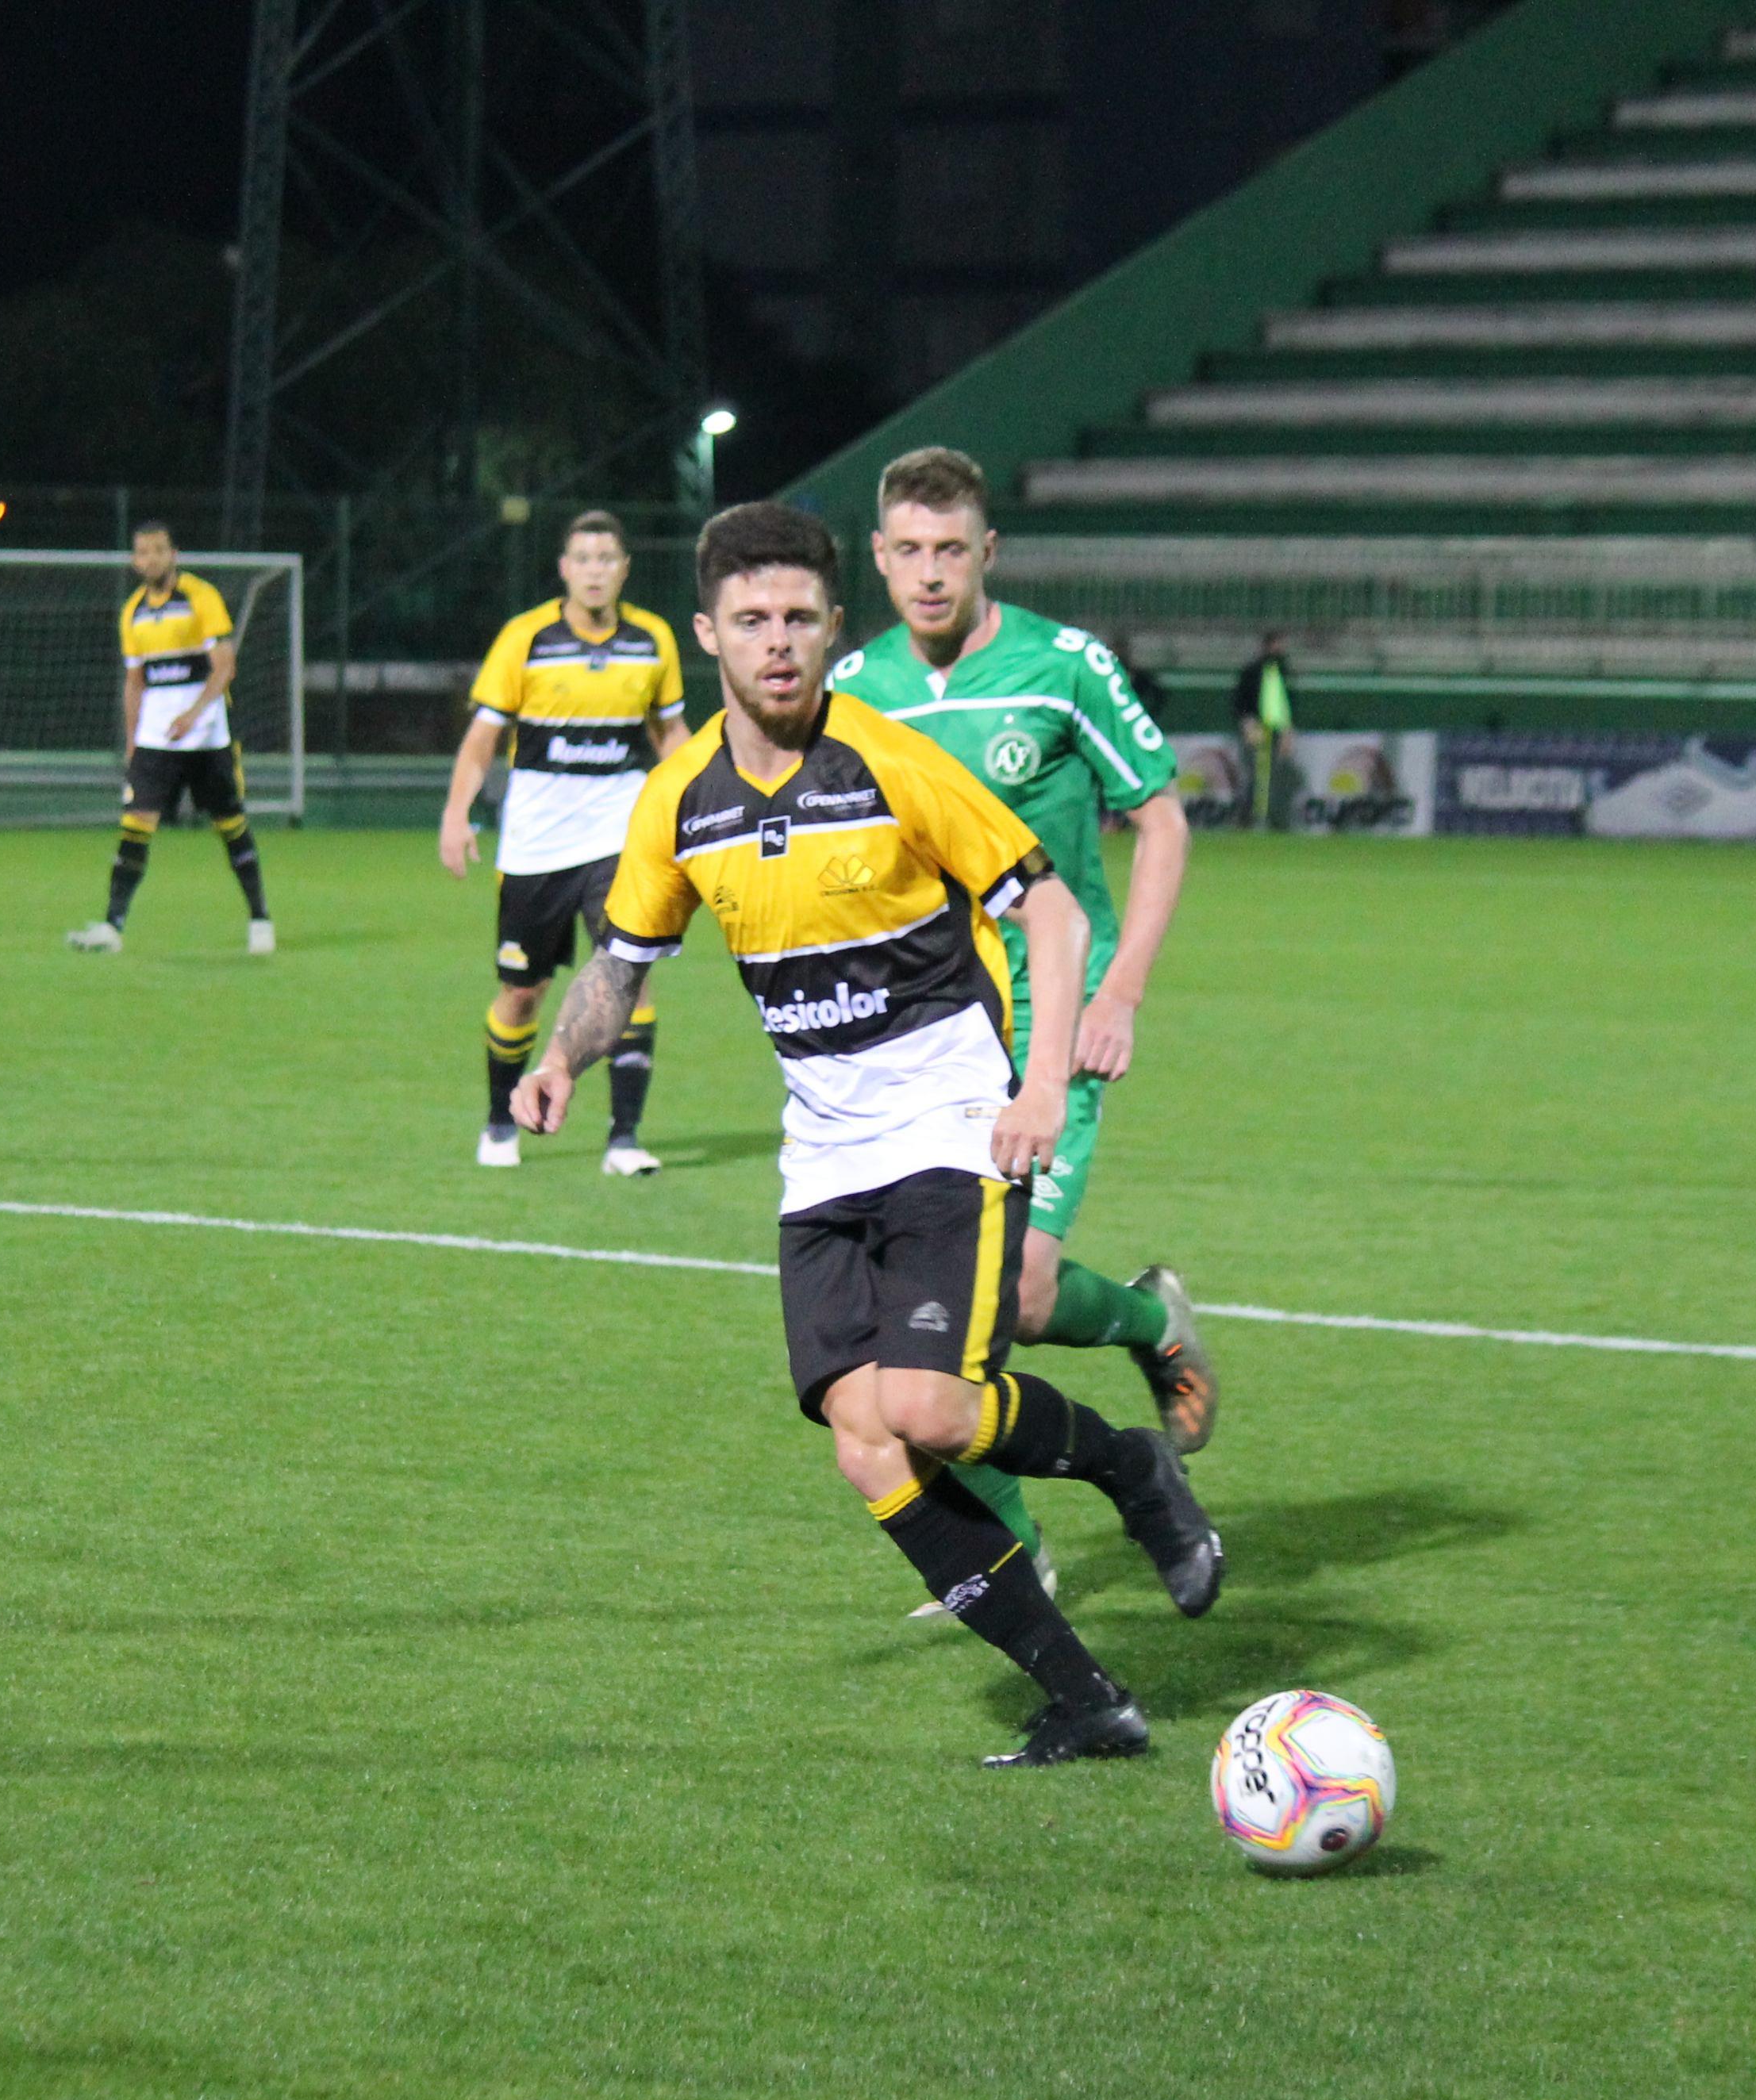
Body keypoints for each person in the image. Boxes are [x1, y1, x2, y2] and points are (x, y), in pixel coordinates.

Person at [513, 502, 1220, 1768]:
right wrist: (562, 1055)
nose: (777, 643)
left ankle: (1131, 1469)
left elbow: (1052, 914)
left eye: (798, 619)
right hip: (825, 1152)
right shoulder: (679, 798)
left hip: (950, 1119)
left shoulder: (892, 761)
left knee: (931, 1409)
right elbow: (620, 960)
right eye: (751, 621)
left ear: (833, 626)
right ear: (708, 636)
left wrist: (1041, 1085)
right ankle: (1087, 1701)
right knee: (865, 1442)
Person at [836, 446, 1215, 1444]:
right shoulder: (856, 691)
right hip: (925, 1021)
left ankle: (1153, 1324)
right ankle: (991, 1525)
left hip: (1053, 1008)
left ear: (988, 551)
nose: (930, 573)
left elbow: (1163, 822)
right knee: (921, 1297)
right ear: (878, 555)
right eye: (910, 550)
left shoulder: (1065, 666)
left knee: (1023, 1293)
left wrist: (1118, 993)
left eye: (951, 550)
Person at [442, 510, 690, 1173]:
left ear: (625, 568)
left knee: (628, 976)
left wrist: (701, 803)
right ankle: (501, 1120)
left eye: (607, 558)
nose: (595, 571)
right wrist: (456, 813)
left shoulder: (652, 639)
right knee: (523, 992)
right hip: (537, 846)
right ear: (564, 569)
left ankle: (625, 1139)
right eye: (583, 559)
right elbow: (482, 739)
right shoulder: (525, 638)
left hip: (619, 836)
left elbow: (670, 734)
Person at [67, 522, 275, 957]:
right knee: (134, 827)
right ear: (134, 561)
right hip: (155, 743)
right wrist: (132, 744)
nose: (152, 559)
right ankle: (112, 927)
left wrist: (192, 715)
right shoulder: (132, 612)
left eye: (160, 550)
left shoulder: (200, 597)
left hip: (206, 738)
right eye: (144, 552)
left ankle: (260, 919)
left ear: (174, 554)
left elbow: (225, 666)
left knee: (230, 826)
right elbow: (135, 683)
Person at [1235, 632, 1294, 831]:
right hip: (1258, 727)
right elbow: (1241, 701)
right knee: (1254, 775)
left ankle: (1275, 818)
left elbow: (1286, 703)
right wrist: (1248, 723)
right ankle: (1248, 818)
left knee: (1277, 776)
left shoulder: (1283, 672)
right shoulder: (1253, 671)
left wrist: (1287, 730)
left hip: (1277, 729)